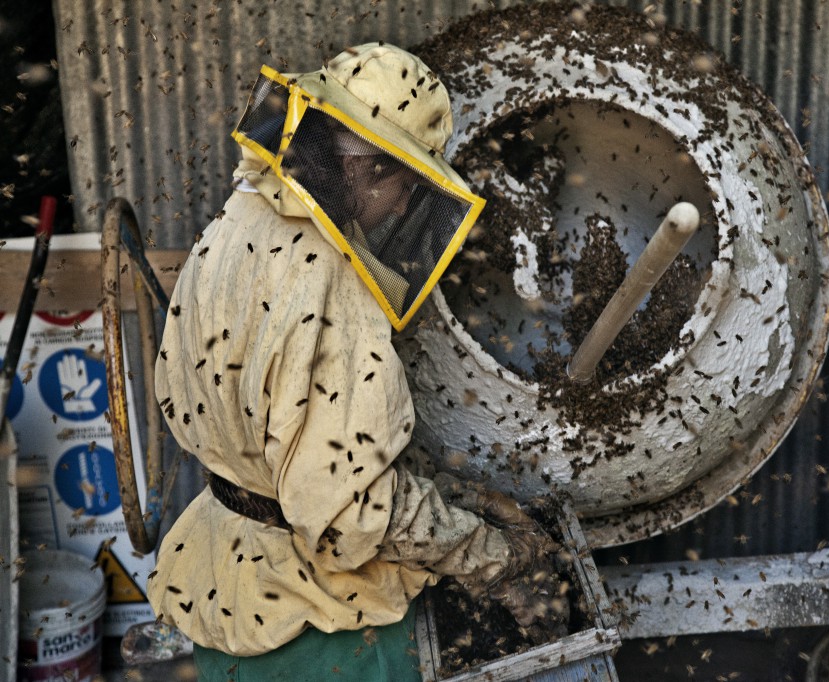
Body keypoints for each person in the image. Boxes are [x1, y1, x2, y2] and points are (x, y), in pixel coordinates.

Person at [148, 43, 564, 681]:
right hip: (317, 633)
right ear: (370, 170)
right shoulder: (334, 291)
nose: (404, 208)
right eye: (406, 185)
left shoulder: (242, 218)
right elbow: (348, 518)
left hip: (226, 583)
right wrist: (495, 560)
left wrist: (451, 496)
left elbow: (286, 440)